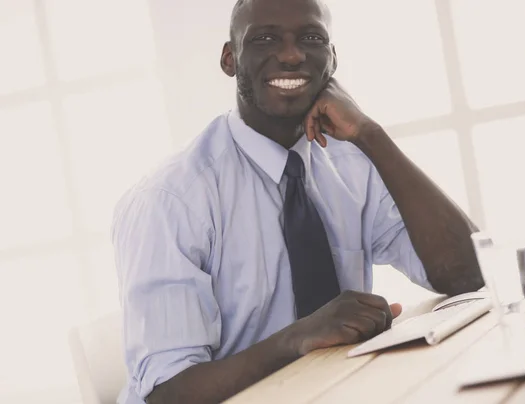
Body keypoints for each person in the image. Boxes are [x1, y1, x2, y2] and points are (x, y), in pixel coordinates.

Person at [112, 0, 484, 402]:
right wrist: (298, 338)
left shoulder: (351, 162)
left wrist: (371, 134)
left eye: (310, 38)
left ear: (333, 60)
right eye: (265, 38)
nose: (291, 55)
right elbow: (167, 396)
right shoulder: (172, 200)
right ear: (229, 59)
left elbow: (468, 276)